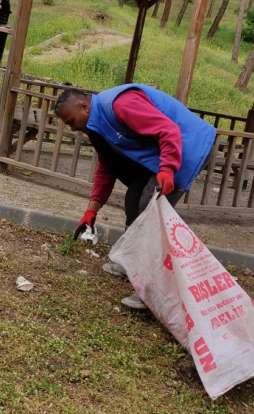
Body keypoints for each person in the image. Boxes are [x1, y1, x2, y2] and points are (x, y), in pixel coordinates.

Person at [53, 84, 217, 309]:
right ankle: (132, 262)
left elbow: (168, 130)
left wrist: (168, 169)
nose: (72, 128)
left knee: (151, 208)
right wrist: (91, 211)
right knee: (134, 198)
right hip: (164, 151)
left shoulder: (120, 104)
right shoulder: (97, 123)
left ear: (83, 106)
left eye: (71, 121)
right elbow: (106, 168)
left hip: (188, 146)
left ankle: (151, 292)